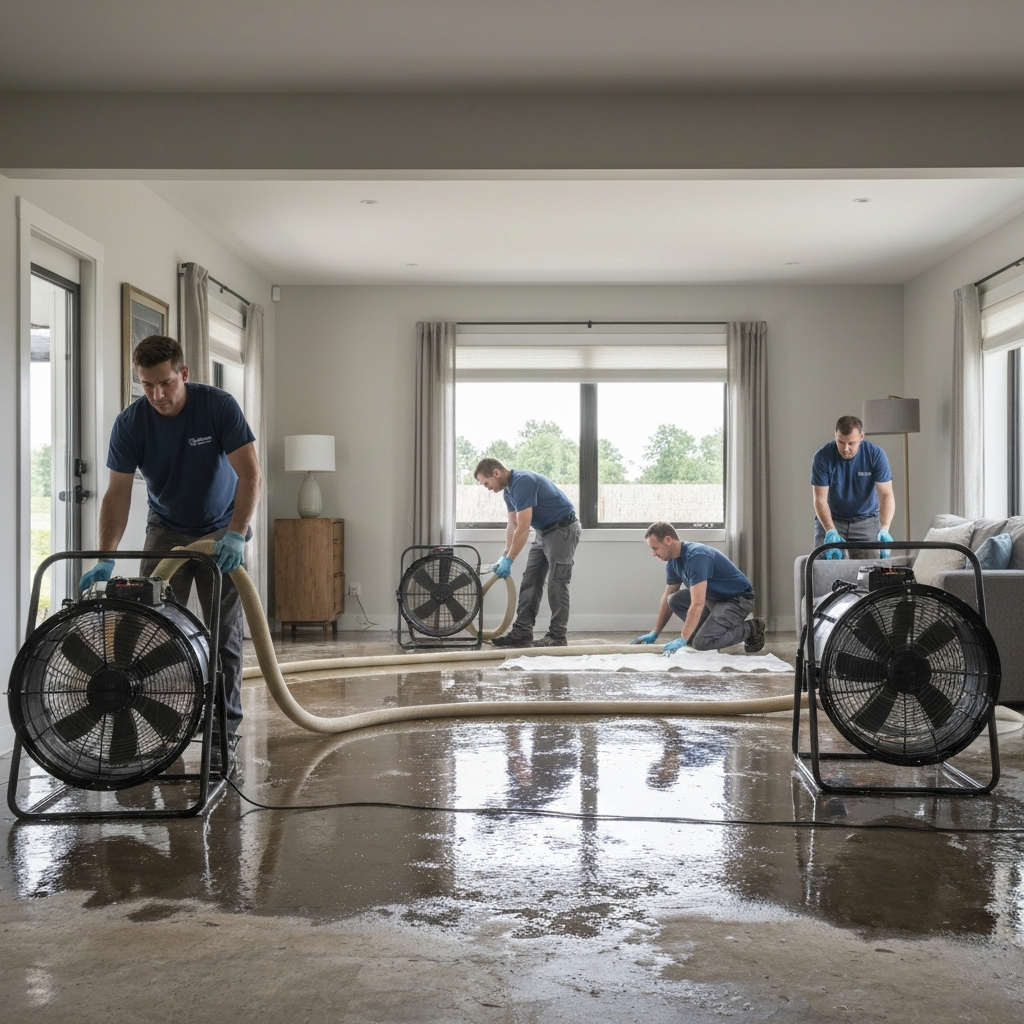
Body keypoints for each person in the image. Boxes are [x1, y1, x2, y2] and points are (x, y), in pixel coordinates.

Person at [79, 335, 263, 748]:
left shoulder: (217, 406)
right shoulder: (130, 423)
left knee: (223, 633)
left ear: (184, 373)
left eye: (165, 383)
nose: (157, 395)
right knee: (155, 630)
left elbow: (251, 475)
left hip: (220, 529)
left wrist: (236, 533)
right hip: (165, 528)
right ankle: (165, 725)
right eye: (147, 385)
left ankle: (222, 732)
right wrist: (105, 558)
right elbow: (117, 492)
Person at [474, 457, 581, 648]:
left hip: (562, 529)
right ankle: (522, 633)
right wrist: (504, 555)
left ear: (496, 473)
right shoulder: (508, 492)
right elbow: (513, 524)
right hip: (543, 531)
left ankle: (557, 637)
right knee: (530, 580)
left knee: (557, 583)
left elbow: (523, 527)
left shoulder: (523, 481)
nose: (487, 487)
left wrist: (510, 561)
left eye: (486, 483)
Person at [631, 521, 765, 654]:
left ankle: (751, 628)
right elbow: (668, 594)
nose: (654, 554)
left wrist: (684, 637)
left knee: (701, 643)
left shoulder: (697, 556)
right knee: (673, 599)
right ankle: (702, 633)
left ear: (668, 540)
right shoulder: (672, 562)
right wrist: (655, 632)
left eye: (655, 548)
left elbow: (698, 602)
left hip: (737, 600)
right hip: (713, 599)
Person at [811, 415, 895, 560]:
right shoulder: (822, 456)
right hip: (833, 519)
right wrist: (830, 531)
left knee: (871, 571)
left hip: (866, 520)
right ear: (835, 435)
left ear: (861, 437)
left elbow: (886, 494)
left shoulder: (875, 455)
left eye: (851, 443)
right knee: (823, 568)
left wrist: (884, 528)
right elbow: (820, 500)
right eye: (841, 442)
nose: (845, 448)